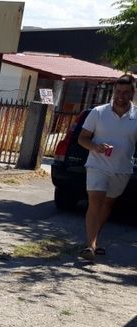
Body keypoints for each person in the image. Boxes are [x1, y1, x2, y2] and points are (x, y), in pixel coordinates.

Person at [76, 74, 137, 260]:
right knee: (95, 201)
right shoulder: (98, 112)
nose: (121, 96)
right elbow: (82, 138)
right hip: (97, 164)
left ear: (133, 93)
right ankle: (90, 246)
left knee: (107, 204)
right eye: (118, 91)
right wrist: (94, 147)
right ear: (113, 91)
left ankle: (94, 238)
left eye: (126, 92)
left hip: (122, 169)